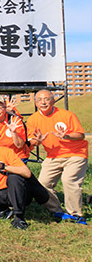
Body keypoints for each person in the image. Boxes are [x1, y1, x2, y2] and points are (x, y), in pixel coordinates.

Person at [27, 89, 88, 224]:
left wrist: (66, 136)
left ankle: (75, 214)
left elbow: (81, 135)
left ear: (53, 101)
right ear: (36, 103)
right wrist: (39, 140)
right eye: (40, 100)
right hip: (53, 155)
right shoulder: (33, 119)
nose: (43, 102)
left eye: (47, 99)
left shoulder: (67, 115)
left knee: (69, 180)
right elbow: (33, 141)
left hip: (75, 154)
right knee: (43, 183)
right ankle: (56, 211)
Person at [0, 95, 29, 161]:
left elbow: (19, 145)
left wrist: (14, 132)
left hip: (16, 156)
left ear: (5, 108)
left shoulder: (14, 120)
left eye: (0, 107)